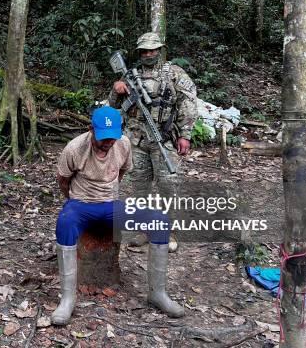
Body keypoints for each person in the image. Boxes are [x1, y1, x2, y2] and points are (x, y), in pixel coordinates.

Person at [51, 106, 184, 325]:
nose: (108, 143)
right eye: (103, 138)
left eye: (112, 138)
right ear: (91, 130)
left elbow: (122, 171)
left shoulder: (122, 144)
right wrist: (75, 200)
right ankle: (68, 298)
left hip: (111, 206)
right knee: (65, 222)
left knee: (159, 221)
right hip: (81, 205)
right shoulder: (74, 148)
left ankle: (157, 293)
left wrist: (109, 195)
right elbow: (63, 180)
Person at [109, 32, 198, 250]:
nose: (149, 54)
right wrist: (116, 89)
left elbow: (189, 103)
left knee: (169, 186)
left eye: (153, 50)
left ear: (159, 50)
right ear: (139, 52)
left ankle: (170, 232)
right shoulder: (130, 75)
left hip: (163, 139)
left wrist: (185, 134)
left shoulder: (174, 73)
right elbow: (112, 106)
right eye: (145, 51)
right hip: (136, 141)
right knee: (140, 188)